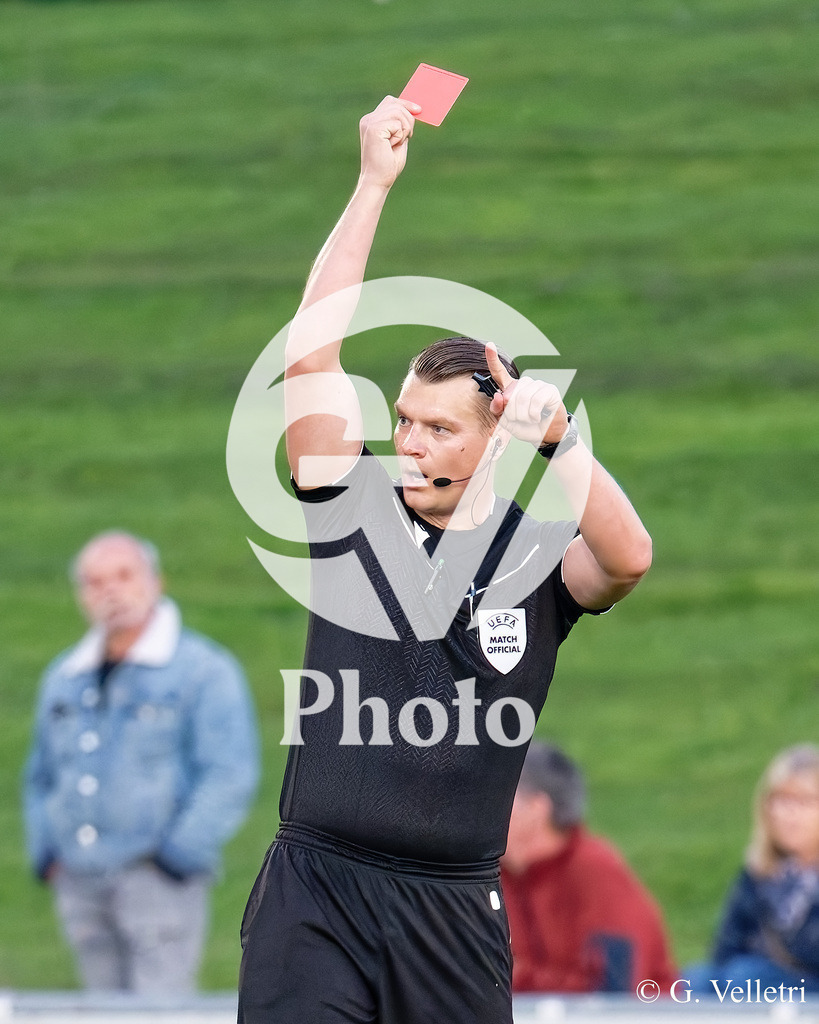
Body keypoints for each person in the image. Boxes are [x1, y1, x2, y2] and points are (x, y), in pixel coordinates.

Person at [237, 96, 653, 1024]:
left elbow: (627, 558)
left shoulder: (534, 549)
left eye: (437, 428)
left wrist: (558, 441)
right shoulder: (353, 507)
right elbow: (312, 352)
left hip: (454, 909)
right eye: (401, 422)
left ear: (490, 435)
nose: (411, 443)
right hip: (317, 893)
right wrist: (371, 185)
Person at [23, 530, 260, 994]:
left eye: (123, 576)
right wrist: (47, 852)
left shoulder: (202, 670)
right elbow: (40, 774)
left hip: (157, 880)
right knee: (99, 1008)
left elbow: (230, 772)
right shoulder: (63, 677)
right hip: (80, 881)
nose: (109, 590)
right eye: (94, 582)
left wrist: (178, 855)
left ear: (156, 582)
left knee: (160, 1009)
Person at [500, 741, 678, 994]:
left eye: (497, 795)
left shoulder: (596, 871)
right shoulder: (488, 876)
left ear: (537, 808)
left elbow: (615, 987)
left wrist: (516, 977)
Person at [687, 744, 819, 995]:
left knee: (745, 976)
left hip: (807, 989)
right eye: (780, 801)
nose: (789, 814)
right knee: (694, 980)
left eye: (803, 802)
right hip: (749, 980)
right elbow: (725, 948)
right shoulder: (759, 873)